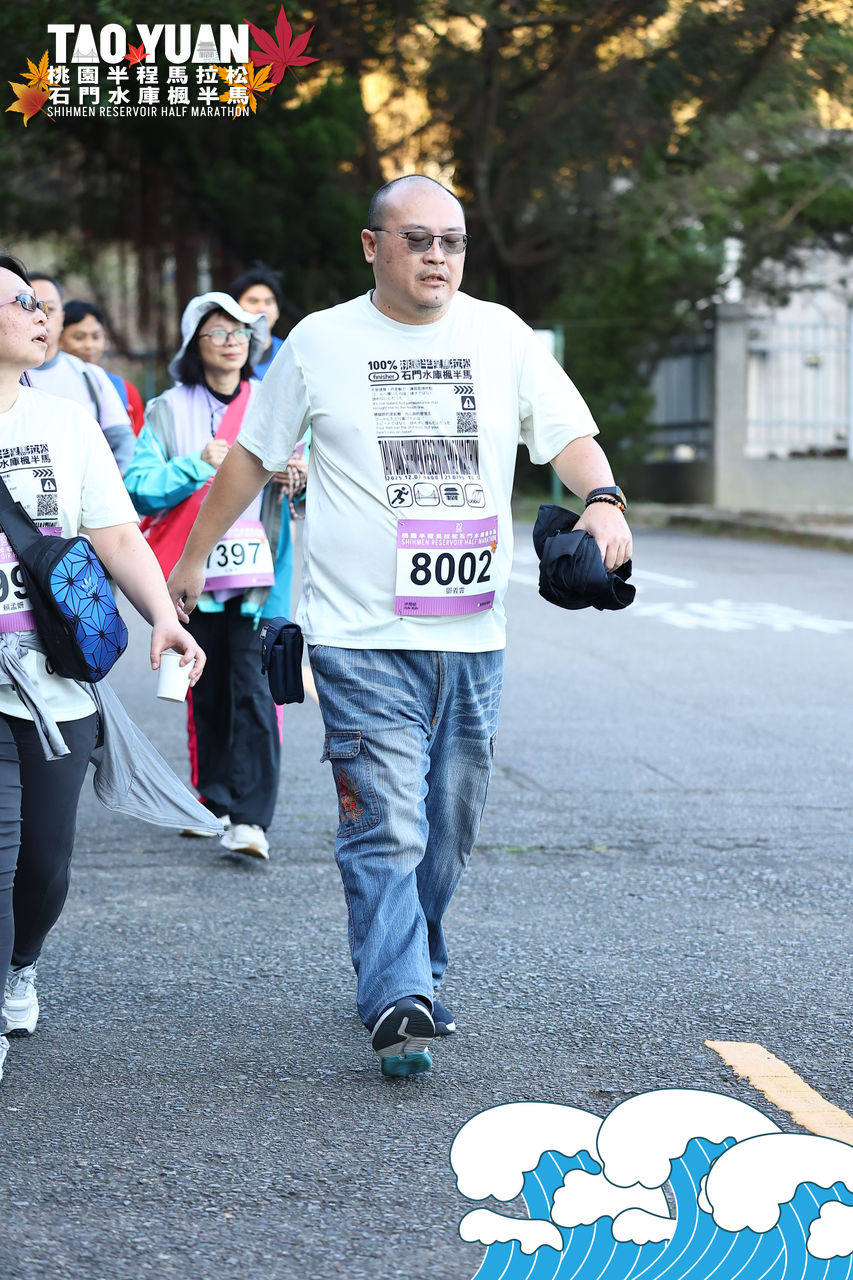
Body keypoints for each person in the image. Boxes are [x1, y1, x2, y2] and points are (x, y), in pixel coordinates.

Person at [168, 176, 633, 1077]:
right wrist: (192, 558)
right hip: (357, 632)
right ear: (371, 245)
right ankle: (397, 996)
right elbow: (255, 458)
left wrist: (603, 498)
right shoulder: (320, 341)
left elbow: (566, 436)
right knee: (385, 821)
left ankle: (416, 964)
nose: (436, 256)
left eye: (451, 241)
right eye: (416, 239)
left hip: (472, 635)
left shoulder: (501, 335)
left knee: (447, 826)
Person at [0, 254, 206, 1085]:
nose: (40, 313)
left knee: (42, 863)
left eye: (40, 302)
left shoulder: (66, 424)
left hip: (49, 680)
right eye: (20, 301)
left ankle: (21, 965)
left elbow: (116, 535)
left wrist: (164, 617)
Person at [124, 292, 287, 861]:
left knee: (255, 690)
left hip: (260, 577)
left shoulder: (273, 401)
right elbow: (139, 486)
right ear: (196, 344)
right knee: (207, 690)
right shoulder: (167, 409)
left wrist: (300, 473)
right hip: (191, 580)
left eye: (241, 332)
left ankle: (252, 818)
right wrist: (197, 464)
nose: (231, 341)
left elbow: (313, 467)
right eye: (218, 332)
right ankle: (214, 801)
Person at [25, 274, 137, 473]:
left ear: (62, 317)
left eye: (50, 308)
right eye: (29, 306)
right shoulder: (7, 376)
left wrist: (110, 485)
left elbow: (123, 443)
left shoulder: (90, 375)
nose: (41, 316)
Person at [61, 299, 145, 436]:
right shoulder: (43, 385)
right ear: (59, 339)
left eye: (96, 337)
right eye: (79, 337)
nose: (89, 345)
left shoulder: (126, 391)